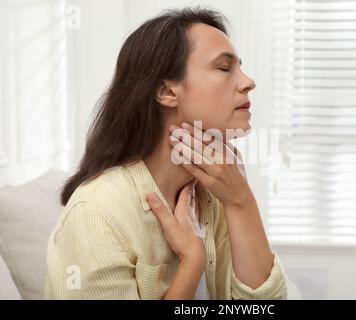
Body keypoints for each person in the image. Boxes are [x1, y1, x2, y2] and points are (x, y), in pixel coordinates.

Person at [44, 6, 288, 300]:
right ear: (167, 92)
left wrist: (241, 201)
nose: (248, 82)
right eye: (225, 68)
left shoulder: (217, 190)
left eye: (240, 68)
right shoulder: (97, 214)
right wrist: (192, 262)